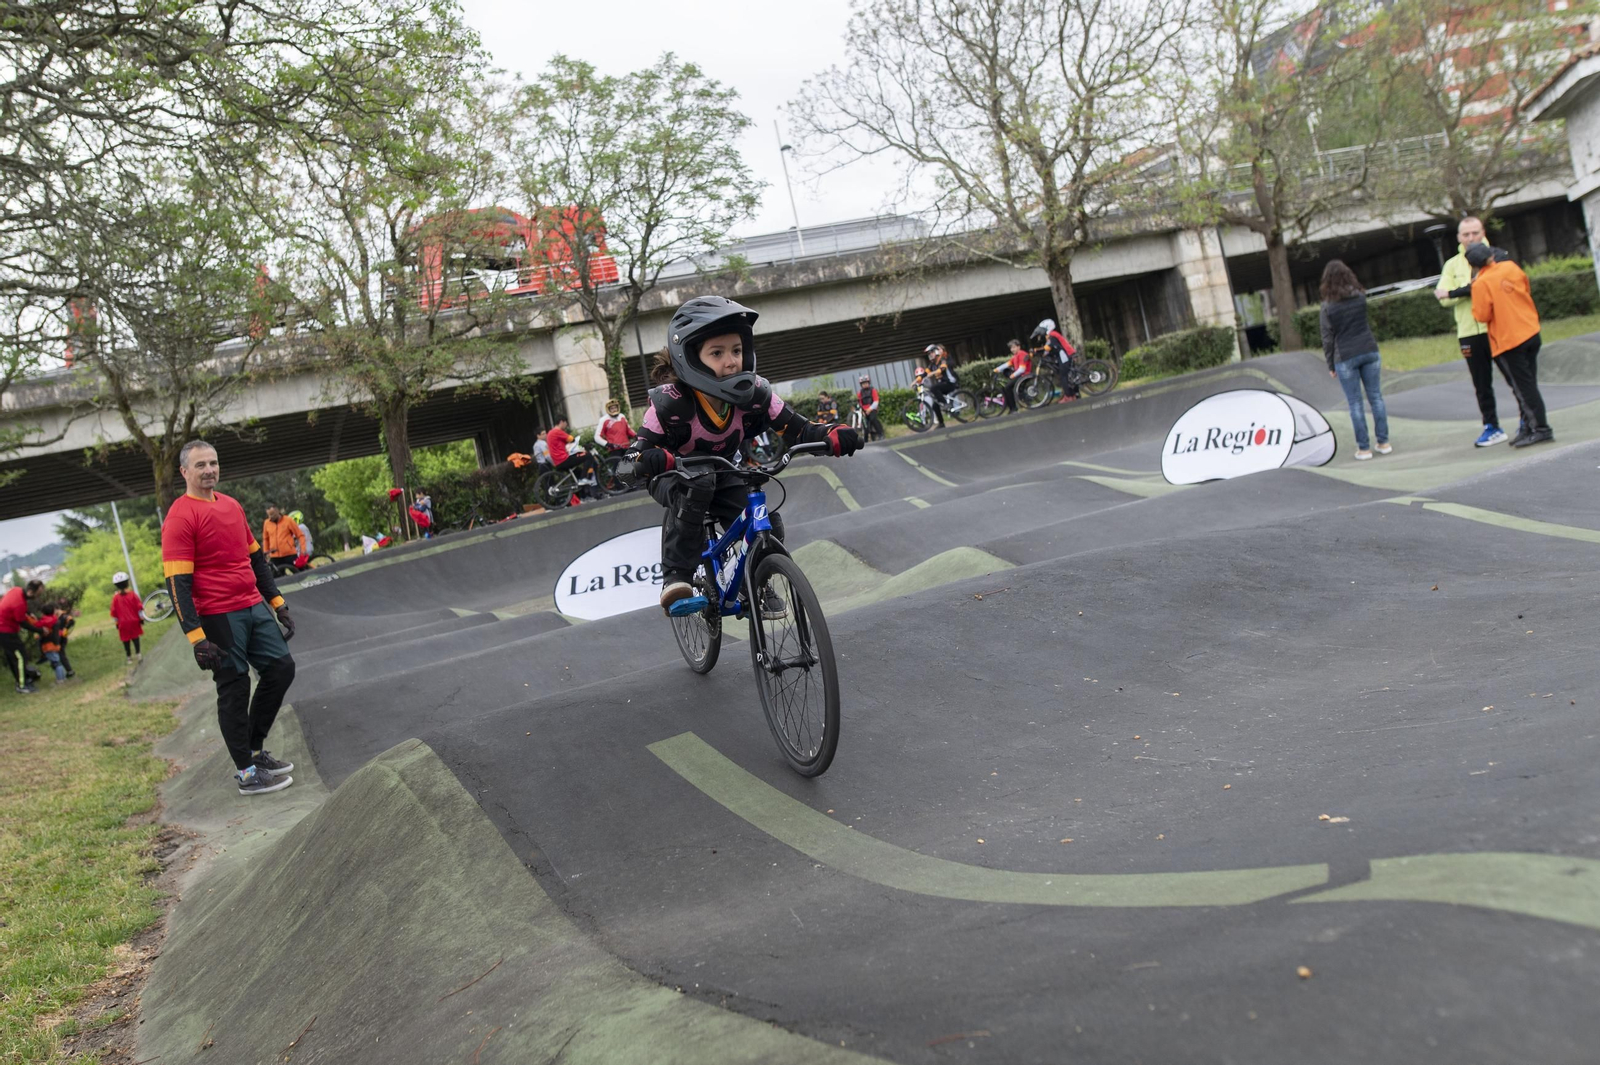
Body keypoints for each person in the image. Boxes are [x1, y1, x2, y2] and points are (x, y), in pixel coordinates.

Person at [629, 296, 861, 614]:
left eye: (737, 350)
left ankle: (759, 581)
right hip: (673, 475)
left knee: (765, 520)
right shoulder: (670, 404)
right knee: (700, 483)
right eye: (717, 353)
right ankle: (676, 578)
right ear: (691, 358)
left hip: (724, 472)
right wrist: (647, 459)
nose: (731, 361)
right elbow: (630, 460)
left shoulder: (756, 395)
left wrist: (832, 434)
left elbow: (800, 429)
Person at [161, 440, 297, 796]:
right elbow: (177, 583)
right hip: (218, 615)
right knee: (235, 688)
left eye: (214, 463)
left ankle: (255, 749)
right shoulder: (180, 516)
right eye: (201, 465)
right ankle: (247, 773)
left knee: (281, 668)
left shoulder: (232, 506)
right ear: (185, 472)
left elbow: (255, 559)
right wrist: (196, 637)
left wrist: (277, 602)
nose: (209, 470)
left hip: (252, 604)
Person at [1435, 217, 1523, 447]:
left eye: (1475, 233)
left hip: (1495, 328)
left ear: (1483, 232)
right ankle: (1492, 427)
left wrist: (1455, 293)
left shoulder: (1496, 256)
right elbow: (1441, 298)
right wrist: (1457, 293)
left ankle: (1527, 419)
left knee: (1513, 377)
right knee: (1481, 384)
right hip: (1468, 333)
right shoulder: (1452, 265)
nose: (1471, 238)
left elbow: (1483, 287)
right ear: (1459, 237)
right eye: (1466, 234)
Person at [1466, 242, 1552, 447]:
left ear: (1473, 265)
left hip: (1509, 341)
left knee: (1522, 387)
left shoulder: (1481, 283)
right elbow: (1525, 287)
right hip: (1530, 330)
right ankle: (1528, 426)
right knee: (1528, 383)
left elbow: (1481, 315)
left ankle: (1541, 428)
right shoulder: (1511, 267)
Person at [1319, 260, 1391, 460]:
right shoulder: (1360, 297)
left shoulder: (1327, 307)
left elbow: (1327, 338)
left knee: (1355, 404)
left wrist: (1330, 364)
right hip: (1369, 349)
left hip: (1346, 356)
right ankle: (1384, 443)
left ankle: (1364, 448)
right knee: (1376, 397)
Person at [0, 579, 46, 694]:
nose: (38, 596)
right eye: (38, 594)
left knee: (13, 657)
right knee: (20, 657)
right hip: (5, 630)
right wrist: (40, 630)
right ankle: (22, 685)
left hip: (4, 629)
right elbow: (23, 623)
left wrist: (29, 612)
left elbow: (20, 609)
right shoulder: (19, 603)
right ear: (31, 592)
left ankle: (23, 679)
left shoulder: (17, 590)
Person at [547, 418, 603, 497]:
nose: (566, 425)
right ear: (561, 422)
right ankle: (582, 479)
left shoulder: (550, 433)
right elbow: (571, 439)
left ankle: (585, 496)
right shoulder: (557, 431)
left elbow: (565, 444)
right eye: (566, 423)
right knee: (588, 456)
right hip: (563, 459)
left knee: (579, 472)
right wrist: (575, 440)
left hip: (558, 461)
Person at [1030, 319, 1080, 402]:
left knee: (1063, 376)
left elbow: (1048, 347)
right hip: (1064, 356)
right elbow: (1049, 349)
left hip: (1064, 356)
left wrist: (1036, 350)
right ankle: (1073, 395)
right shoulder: (1052, 335)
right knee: (1067, 376)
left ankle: (1068, 397)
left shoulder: (1052, 335)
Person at [261, 502, 306, 572]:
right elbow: (266, 539)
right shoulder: (266, 523)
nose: (271, 517)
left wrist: (303, 550)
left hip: (289, 554)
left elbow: (300, 535)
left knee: (299, 572)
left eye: (272, 514)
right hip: (275, 556)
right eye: (269, 515)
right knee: (276, 577)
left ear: (277, 511)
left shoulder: (288, 520)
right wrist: (266, 552)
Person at [110, 573, 145, 664]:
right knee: (135, 638)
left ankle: (129, 657)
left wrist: (116, 623)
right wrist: (141, 618)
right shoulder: (132, 595)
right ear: (127, 583)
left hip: (123, 623)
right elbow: (139, 608)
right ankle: (138, 654)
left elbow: (114, 612)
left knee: (125, 640)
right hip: (134, 621)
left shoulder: (115, 598)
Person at [922, 343, 958, 426]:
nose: (930, 355)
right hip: (942, 385)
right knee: (935, 405)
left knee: (933, 388)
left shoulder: (942, 360)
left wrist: (933, 373)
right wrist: (917, 380)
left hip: (950, 383)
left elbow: (942, 368)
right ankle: (941, 424)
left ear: (936, 352)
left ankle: (946, 404)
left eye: (931, 352)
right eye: (928, 353)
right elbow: (925, 373)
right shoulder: (932, 365)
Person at [995, 339, 1032, 413]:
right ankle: (1011, 407)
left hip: (1024, 375)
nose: (1012, 349)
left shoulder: (1022, 354)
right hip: (1020, 375)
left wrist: (1013, 375)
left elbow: (1022, 369)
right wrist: (997, 369)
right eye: (1011, 348)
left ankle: (1013, 408)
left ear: (1019, 347)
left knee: (1008, 387)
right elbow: (1007, 364)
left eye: (1014, 347)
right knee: (1005, 387)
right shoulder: (1015, 356)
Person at [36, 603, 68, 683]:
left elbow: (36, 625)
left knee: (56, 663)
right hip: (55, 644)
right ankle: (63, 678)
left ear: (43, 613)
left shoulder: (45, 621)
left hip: (48, 645)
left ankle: (60, 679)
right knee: (57, 662)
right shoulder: (55, 619)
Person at [856, 374, 884, 441]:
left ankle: (880, 434)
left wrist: (870, 409)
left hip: (872, 409)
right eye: (863, 383)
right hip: (864, 411)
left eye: (866, 383)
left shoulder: (873, 390)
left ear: (868, 383)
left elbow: (876, 401)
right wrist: (862, 411)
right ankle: (866, 439)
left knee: (873, 419)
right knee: (866, 425)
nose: (865, 385)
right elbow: (859, 403)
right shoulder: (860, 393)